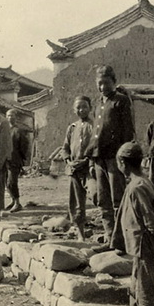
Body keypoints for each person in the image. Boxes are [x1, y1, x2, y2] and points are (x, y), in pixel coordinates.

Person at [111, 142, 154, 306]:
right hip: (138, 246)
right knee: (134, 287)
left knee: (144, 291)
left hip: (145, 245)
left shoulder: (138, 187)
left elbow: (151, 220)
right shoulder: (140, 183)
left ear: (122, 163)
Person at [87, 65, 135, 242]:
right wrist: (92, 159)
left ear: (113, 82)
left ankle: (121, 239)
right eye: (99, 83)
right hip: (99, 157)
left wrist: (123, 157)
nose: (102, 87)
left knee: (118, 199)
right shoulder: (99, 102)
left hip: (114, 158)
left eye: (106, 83)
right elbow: (95, 133)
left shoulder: (121, 100)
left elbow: (127, 131)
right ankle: (109, 238)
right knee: (103, 199)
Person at [60, 96, 94, 241]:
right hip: (74, 170)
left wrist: (87, 161)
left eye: (84, 107)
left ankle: (109, 231)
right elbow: (65, 147)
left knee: (98, 195)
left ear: (90, 108)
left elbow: (97, 147)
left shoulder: (94, 126)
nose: (81, 110)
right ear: (74, 110)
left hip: (89, 169)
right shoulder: (72, 128)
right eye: (78, 107)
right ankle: (80, 232)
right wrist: (68, 161)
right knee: (76, 203)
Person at [5, 109, 30, 213]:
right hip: (5, 160)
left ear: (16, 117)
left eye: (12, 116)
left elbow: (24, 146)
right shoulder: (5, 130)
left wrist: (20, 158)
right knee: (6, 183)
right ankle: (12, 200)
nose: (10, 117)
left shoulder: (18, 131)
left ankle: (17, 203)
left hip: (15, 160)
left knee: (12, 182)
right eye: (8, 116)